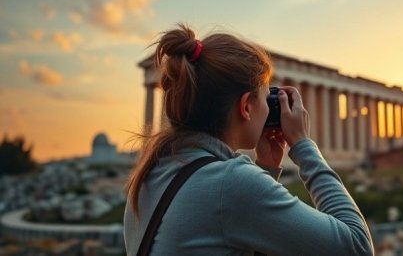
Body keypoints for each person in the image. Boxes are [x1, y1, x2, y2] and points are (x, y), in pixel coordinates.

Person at [124, 24, 374, 256]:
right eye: (267, 98)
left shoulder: (150, 175)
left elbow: (226, 235)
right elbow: (357, 247)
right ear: (246, 106)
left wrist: (265, 169)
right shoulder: (230, 183)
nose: (270, 108)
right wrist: (303, 146)